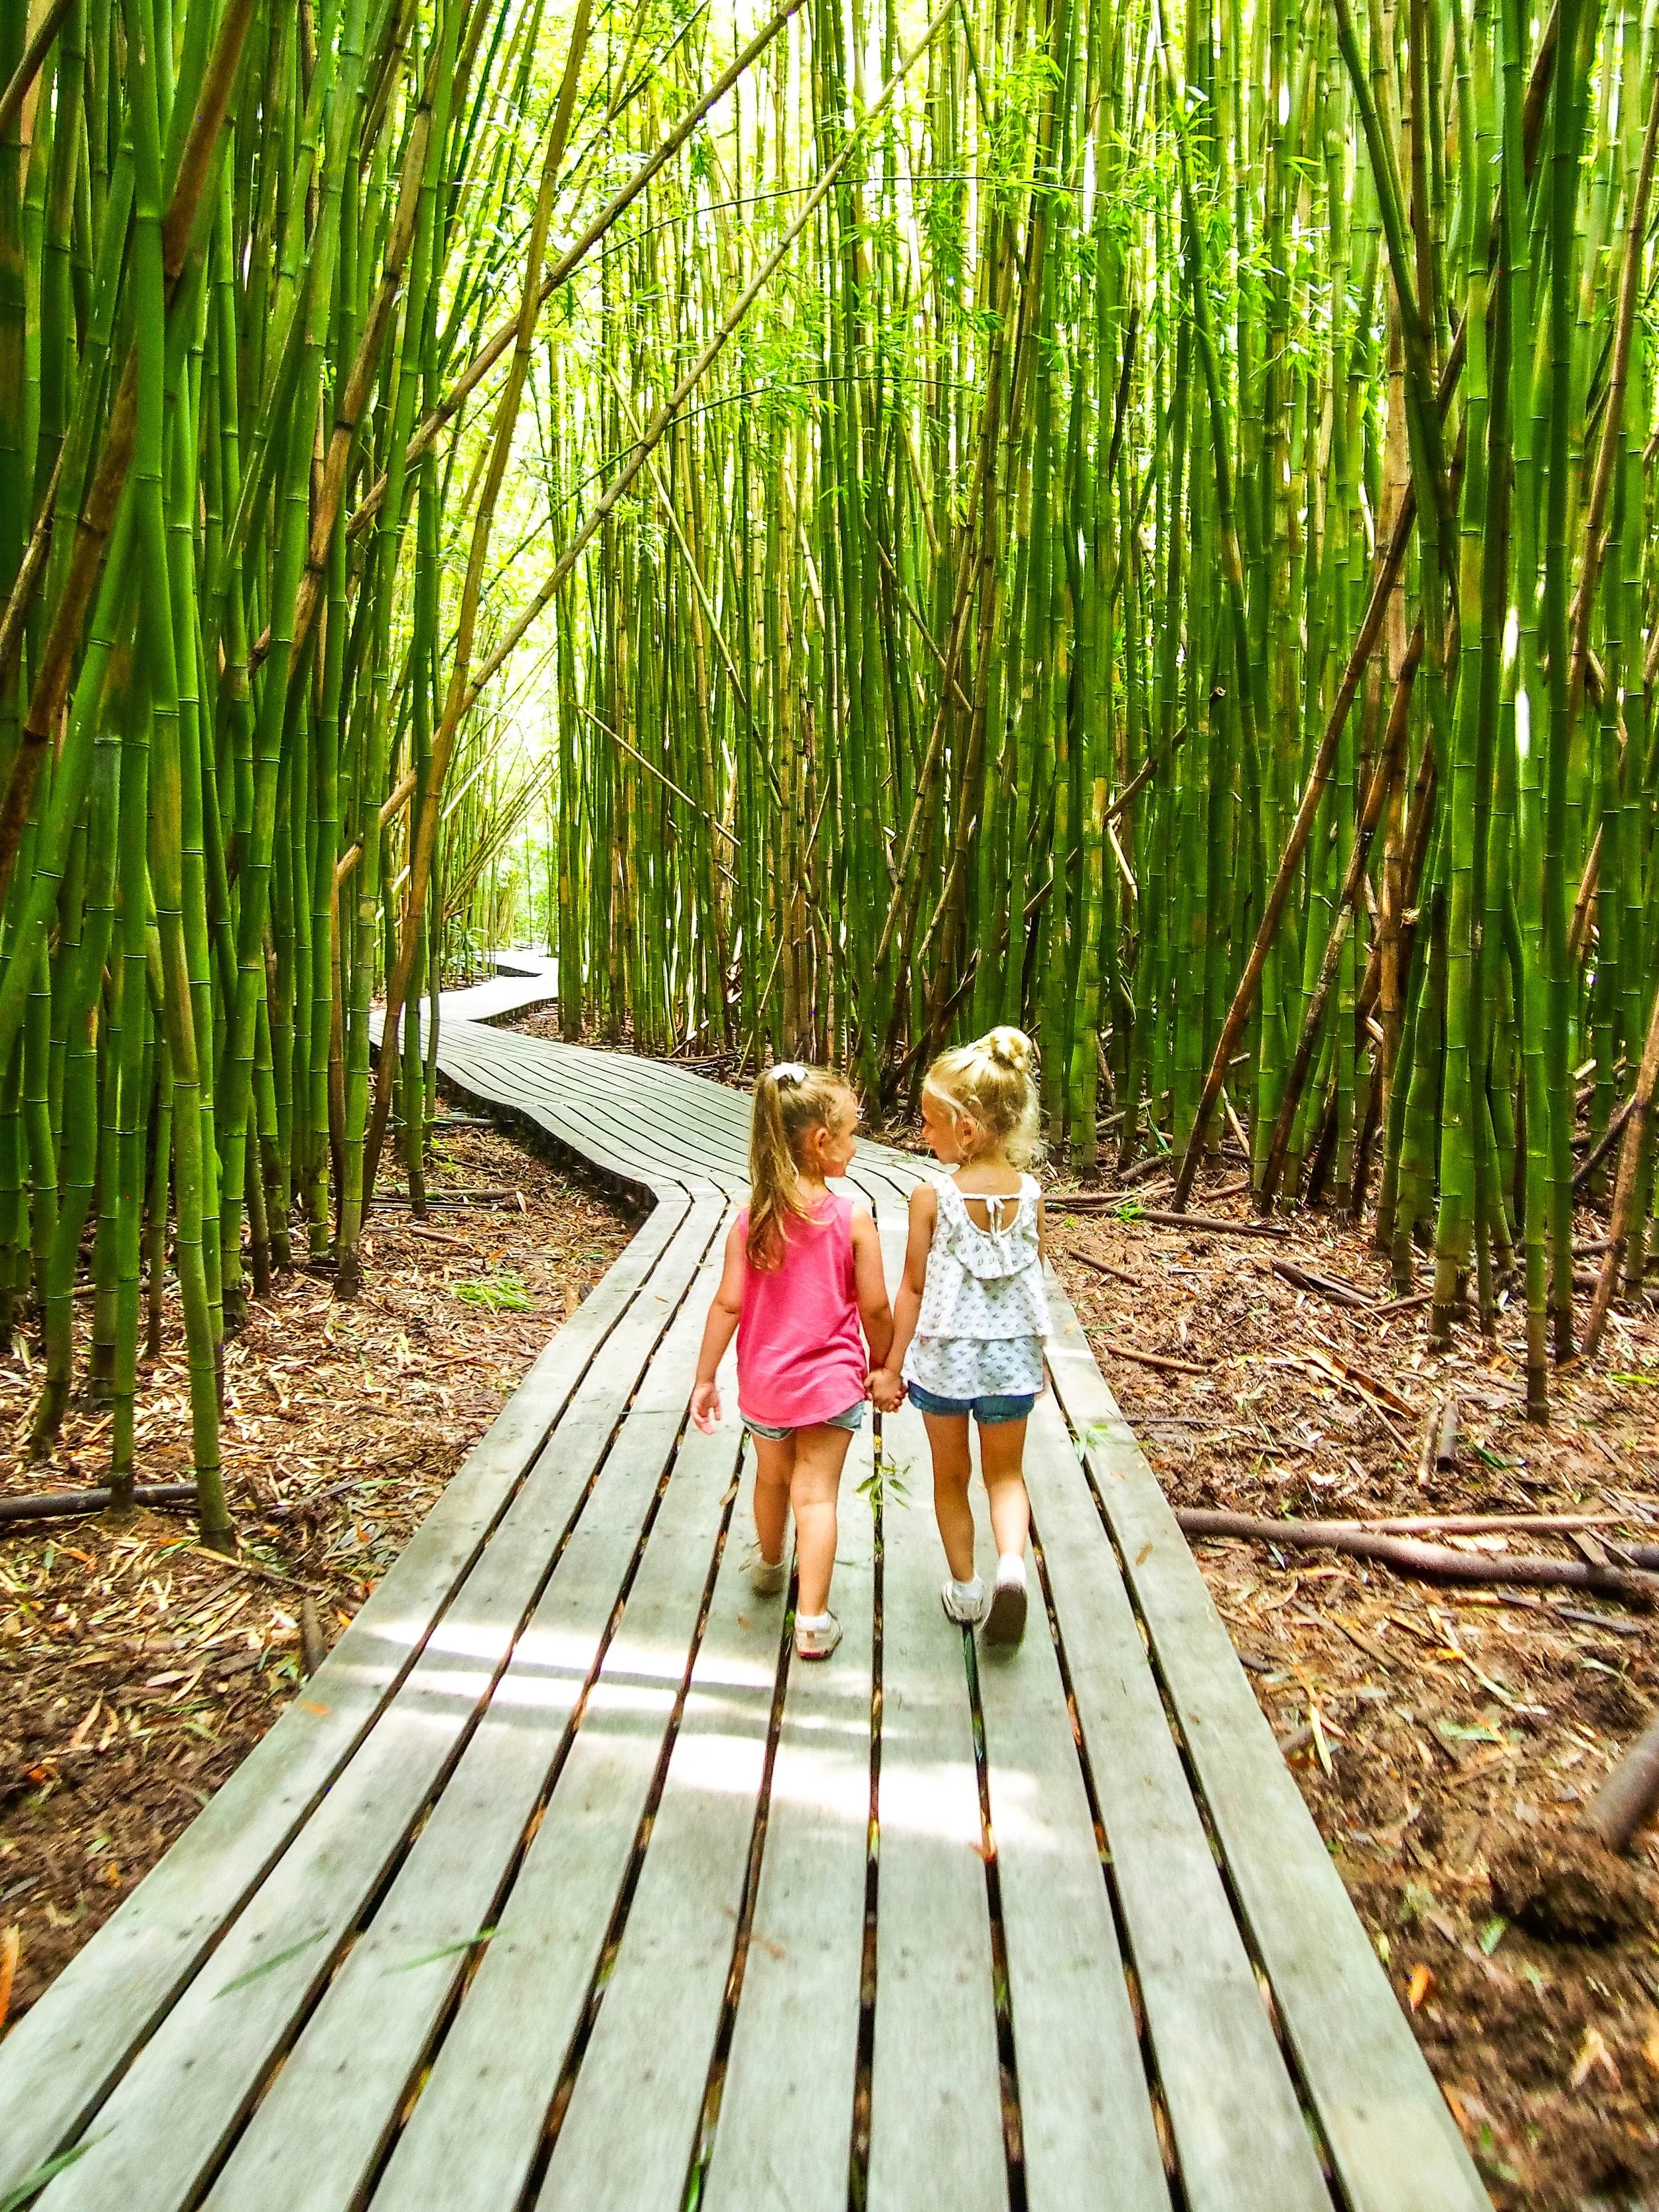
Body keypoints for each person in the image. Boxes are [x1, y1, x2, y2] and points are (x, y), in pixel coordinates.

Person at [691, 1062, 894, 1660]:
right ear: (821, 1141)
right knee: (818, 1495)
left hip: (766, 1383)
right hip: (830, 1384)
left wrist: (706, 1377)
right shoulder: (851, 1217)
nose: (857, 1147)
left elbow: (728, 1304)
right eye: (853, 1134)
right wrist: (883, 1364)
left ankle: (772, 1563)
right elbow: (877, 1306)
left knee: (773, 1477)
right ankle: (812, 1620)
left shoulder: (750, 1220)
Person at [869, 1027, 1047, 1645]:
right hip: (1011, 1362)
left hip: (945, 1359)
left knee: (951, 1475)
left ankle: (968, 1588)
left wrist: (891, 1366)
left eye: (929, 1122)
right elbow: (1032, 1273)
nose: (924, 1134)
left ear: (965, 1130)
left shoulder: (931, 1196)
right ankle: (1011, 1568)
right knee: (1007, 1476)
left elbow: (913, 1287)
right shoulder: (1031, 1194)